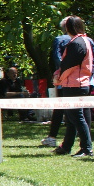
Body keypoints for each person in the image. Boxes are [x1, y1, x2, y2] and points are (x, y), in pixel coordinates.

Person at [53, 15, 93, 158]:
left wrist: (58, 78)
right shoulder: (85, 40)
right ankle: (66, 147)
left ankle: (86, 148)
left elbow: (69, 65)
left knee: (76, 117)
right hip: (78, 83)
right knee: (71, 118)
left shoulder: (77, 43)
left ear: (68, 28)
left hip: (75, 84)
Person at [42, 19, 73, 147]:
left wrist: (60, 74)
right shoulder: (85, 40)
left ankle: (52, 137)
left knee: (59, 108)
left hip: (63, 80)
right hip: (80, 80)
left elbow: (56, 58)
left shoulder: (59, 39)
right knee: (79, 110)